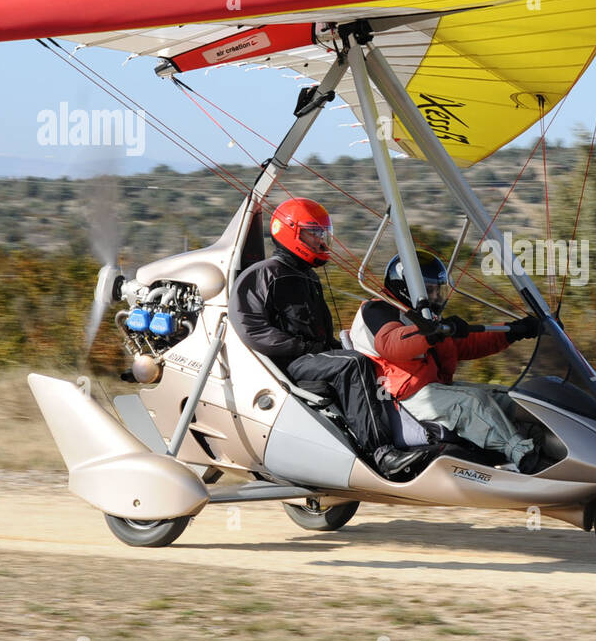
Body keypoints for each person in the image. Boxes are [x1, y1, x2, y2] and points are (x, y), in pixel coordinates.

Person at [229, 198, 430, 476]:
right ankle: (381, 454)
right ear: (291, 231)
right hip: (286, 363)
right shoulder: (264, 274)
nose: (321, 240)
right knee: (353, 365)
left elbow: (321, 329)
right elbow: (251, 328)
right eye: (314, 233)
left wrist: (335, 347)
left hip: (311, 356)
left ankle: (401, 439)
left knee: (369, 361)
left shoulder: (308, 277)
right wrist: (301, 346)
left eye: (323, 233)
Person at [350, 249, 542, 469]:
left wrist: (514, 331)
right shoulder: (377, 310)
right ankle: (525, 459)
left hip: (431, 389)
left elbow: (467, 343)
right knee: (472, 402)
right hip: (398, 398)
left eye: (437, 290)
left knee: (508, 398)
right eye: (430, 291)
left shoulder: (423, 318)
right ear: (408, 288)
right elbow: (393, 344)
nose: (435, 297)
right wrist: (431, 333)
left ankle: (544, 446)